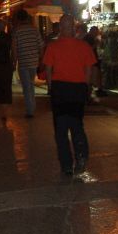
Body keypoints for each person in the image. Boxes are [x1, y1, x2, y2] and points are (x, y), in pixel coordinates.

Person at [42, 14, 97, 176]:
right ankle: (81, 157)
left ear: (60, 28)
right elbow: (89, 69)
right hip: (77, 89)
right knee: (77, 125)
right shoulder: (84, 46)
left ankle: (66, 164)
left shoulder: (52, 47)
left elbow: (48, 70)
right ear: (74, 28)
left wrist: (51, 87)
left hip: (59, 89)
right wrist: (86, 86)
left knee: (61, 129)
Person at [12, 9, 45, 118]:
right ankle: (32, 106)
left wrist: (14, 62)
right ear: (27, 18)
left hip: (23, 62)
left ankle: (30, 110)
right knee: (30, 84)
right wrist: (41, 59)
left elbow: (14, 49)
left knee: (27, 86)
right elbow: (41, 46)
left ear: (18, 19)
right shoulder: (34, 30)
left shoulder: (17, 31)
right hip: (34, 62)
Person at [83, 26, 107, 99]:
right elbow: (88, 49)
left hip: (93, 60)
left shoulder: (90, 38)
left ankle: (93, 92)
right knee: (92, 77)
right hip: (91, 60)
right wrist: (96, 44)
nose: (96, 33)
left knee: (95, 76)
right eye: (95, 32)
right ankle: (90, 94)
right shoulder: (89, 38)